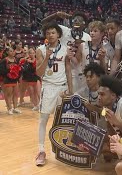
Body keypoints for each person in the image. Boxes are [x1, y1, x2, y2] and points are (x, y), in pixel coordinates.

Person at [35, 21, 73, 166]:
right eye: (47, 33)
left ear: (58, 35)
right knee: (43, 120)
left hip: (62, 89)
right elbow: (39, 72)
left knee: (62, 121)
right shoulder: (40, 50)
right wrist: (46, 57)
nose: (50, 35)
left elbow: (68, 70)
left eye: (53, 32)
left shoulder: (65, 49)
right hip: (48, 87)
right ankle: (41, 150)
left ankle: (61, 148)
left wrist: (71, 90)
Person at [42, 11, 91, 93]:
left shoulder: (87, 37)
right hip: (63, 71)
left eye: (79, 21)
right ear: (71, 22)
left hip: (79, 71)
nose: (77, 22)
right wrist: (55, 15)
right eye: (75, 20)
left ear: (84, 25)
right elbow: (44, 23)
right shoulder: (64, 31)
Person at [97, 75, 122, 160]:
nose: (99, 97)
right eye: (98, 94)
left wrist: (117, 123)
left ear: (113, 96)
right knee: (100, 147)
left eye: (102, 94)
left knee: (106, 150)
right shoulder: (106, 106)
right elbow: (111, 132)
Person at [73, 20, 107, 85]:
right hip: (84, 78)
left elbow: (104, 70)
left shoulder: (105, 48)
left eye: (95, 31)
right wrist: (71, 57)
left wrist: (102, 59)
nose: (92, 33)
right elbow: (77, 62)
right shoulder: (82, 45)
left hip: (98, 80)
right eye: (91, 31)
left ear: (102, 33)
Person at [0, 47, 22, 114]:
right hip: (8, 80)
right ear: (7, 52)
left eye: (13, 51)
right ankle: (9, 108)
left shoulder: (16, 60)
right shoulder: (4, 60)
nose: (12, 52)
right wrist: (8, 73)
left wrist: (18, 76)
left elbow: (19, 69)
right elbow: (1, 70)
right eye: (10, 51)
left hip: (15, 80)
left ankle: (15, 108)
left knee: (15, 94)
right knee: (9, 94)